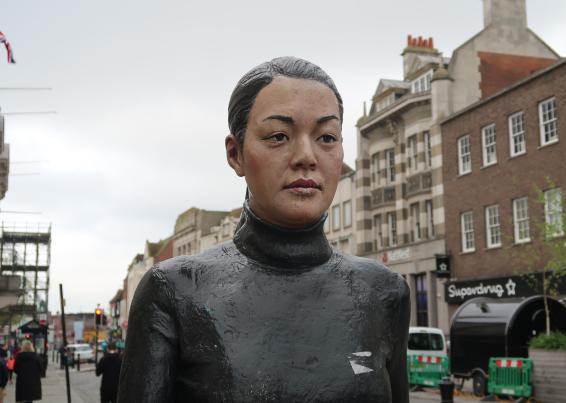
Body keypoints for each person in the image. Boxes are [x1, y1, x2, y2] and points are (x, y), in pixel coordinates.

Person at [118, 57, 410, 402]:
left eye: (327, 137)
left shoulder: (383, 292)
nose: (306, 155)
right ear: (235, 153)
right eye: (278, 136)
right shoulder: (173, 292)